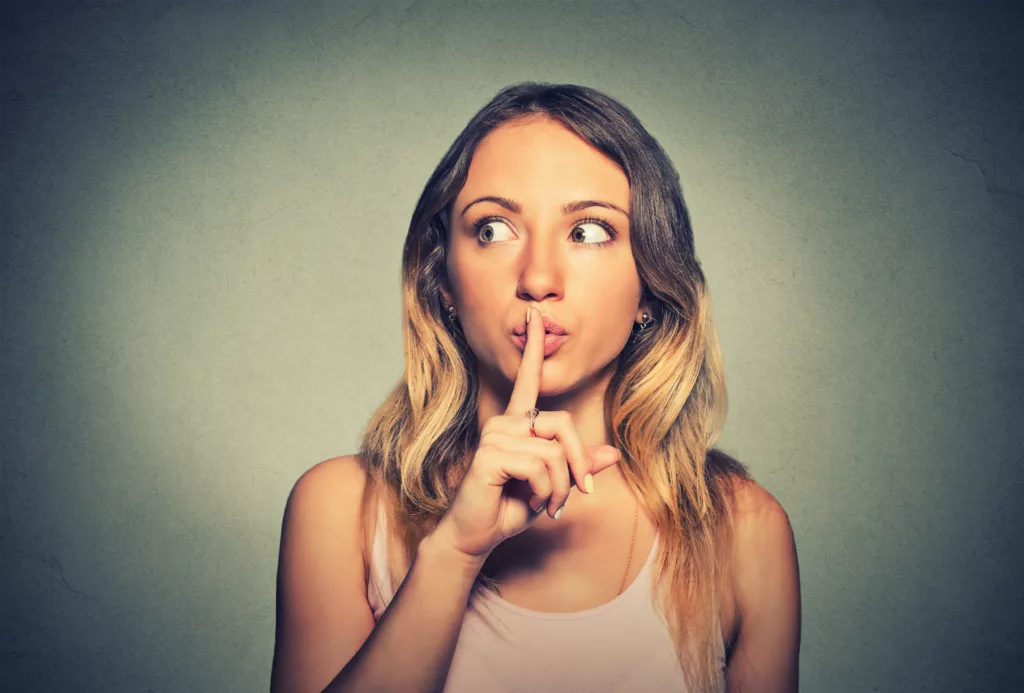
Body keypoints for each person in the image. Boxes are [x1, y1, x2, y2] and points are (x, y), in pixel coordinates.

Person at [270, 82, 801, 693]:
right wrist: (453, 555)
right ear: (443, 281)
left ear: (651, 287)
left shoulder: (740, 530)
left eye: (590, 232)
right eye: (493, 230)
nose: (539, 279)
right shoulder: (342, 509)